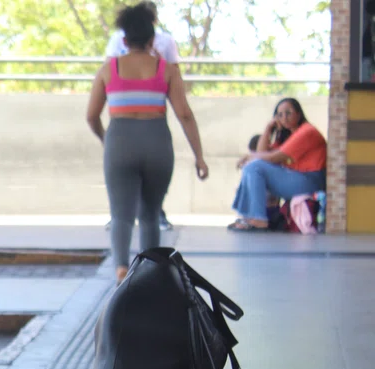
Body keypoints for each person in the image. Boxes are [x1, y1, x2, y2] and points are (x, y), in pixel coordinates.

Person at [86, 3, 209, 283]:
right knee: (151, 214)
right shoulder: (166, 70)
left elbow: (91, 115)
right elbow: (185, 114)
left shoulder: (108, 69)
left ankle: (120, 268)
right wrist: (199, 156)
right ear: (153, 40)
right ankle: (150, 272)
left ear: (124, 40)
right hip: (157, 143)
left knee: (121, 214)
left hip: (120, 141)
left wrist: (108, 140)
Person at [103, 0, 177, 232]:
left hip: (151, 116)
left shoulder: (165, 42)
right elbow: (107, 74)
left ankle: (155, 214)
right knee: (124, 184)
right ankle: (120, 216)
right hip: (123, 118)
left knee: (151, 185)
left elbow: (175, 75)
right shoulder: (117, 42)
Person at [227, 98, 327, 232]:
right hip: (296, 179)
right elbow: (261, 153)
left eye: (288, 113)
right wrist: (269, 128)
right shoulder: (288, 136)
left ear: (298, 113)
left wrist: (251, 156)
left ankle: (258, 219)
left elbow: (274, 157)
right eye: (280, 115)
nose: (284, 118)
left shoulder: (307, 131)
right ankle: (248, 217)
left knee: (254, 166)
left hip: (310, 181)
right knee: (252, 167)